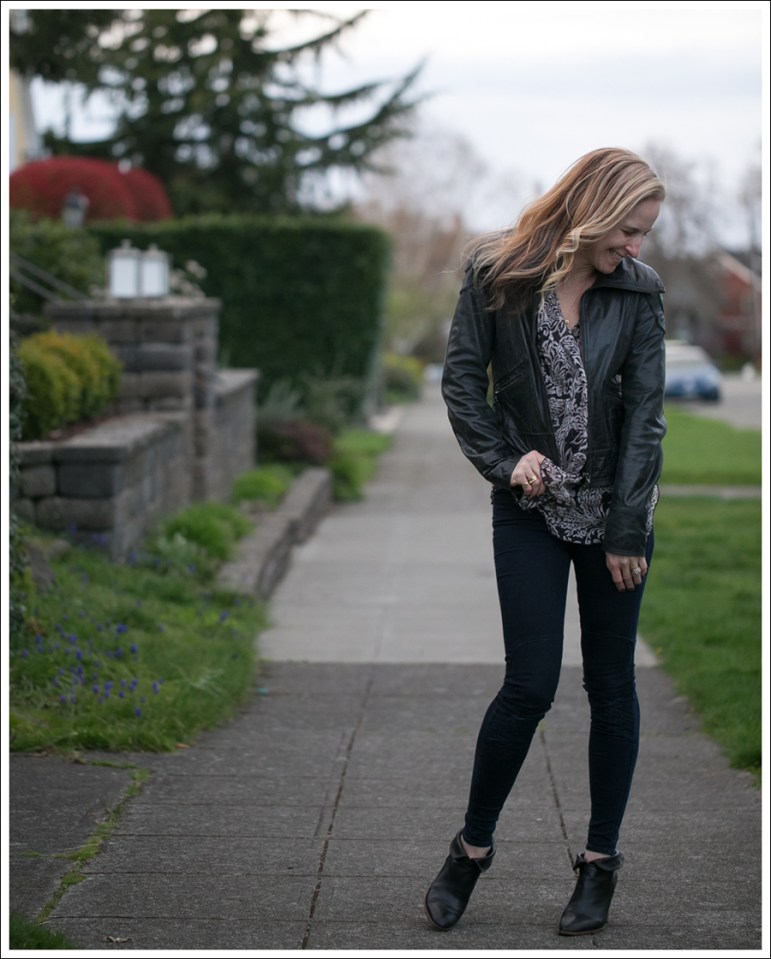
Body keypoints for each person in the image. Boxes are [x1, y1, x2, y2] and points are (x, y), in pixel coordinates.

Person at [425, 147, 667, 936]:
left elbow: (645, 418)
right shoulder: (496, 272)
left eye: (643, 233)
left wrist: (626, 529)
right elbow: (462, 383)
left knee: (611, 686)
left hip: (613, 516)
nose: (635, 245)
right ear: (593, 209)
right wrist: (504, 461)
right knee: (528, 684)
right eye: (628, 229)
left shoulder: (638, 290)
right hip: (527, 508)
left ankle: (598, 864)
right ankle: (469, 850)